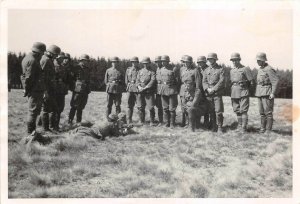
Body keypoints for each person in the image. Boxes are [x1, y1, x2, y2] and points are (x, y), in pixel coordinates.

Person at [20, 42, 47, 135]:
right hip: (35, 90)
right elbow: (29, 77)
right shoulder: (33, 60)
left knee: (34, 112)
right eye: (42, 52)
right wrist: (27, 90)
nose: (43, 55)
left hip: (34, 89)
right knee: (33, 112)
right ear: (39, 52)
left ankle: (32, 132)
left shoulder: (28, 58)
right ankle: (30, 134)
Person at [179, 55, 206, 131]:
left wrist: (196, 94)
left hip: (192, 92)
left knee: (192, 107)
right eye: (184, 62)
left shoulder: (195, 70)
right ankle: (187, 124)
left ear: (191, 63)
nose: (186, 63)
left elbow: (198, 85)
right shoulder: (182, 69)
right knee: (184, 108)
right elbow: (181, 80)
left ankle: (194, 124)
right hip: (183, 91)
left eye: (187, 62)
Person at [230, 53, 254, 133]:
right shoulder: (232, 71)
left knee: (243, 110)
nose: (234, 62)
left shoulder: (245, 69)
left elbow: (252, 82)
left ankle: (244, 128)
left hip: (243, 91)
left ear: (239, 60)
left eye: (235, 60)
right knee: (237, 110)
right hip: (234, 91)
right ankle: (239, 126)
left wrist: (245, 83)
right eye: (232, 60)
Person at [255, 52, 279, 133]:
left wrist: (273, 93)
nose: (257, 62)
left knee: (268, 112)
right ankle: (262, 129)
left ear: (263, 60)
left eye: (258, 60)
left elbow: (275, 81)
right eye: (257, 60)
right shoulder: (260, 69)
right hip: (259, 92)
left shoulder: (269, 69)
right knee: (261, 112)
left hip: (267, 92)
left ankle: (268, 130)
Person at [40, 44, 61, 132]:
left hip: (50, 89)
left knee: (54, 109)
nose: (56, 57)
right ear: (51, 53)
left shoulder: (49, 60)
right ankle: (45, 129)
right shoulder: (45, 60)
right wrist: (44, 91)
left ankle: (51, 128)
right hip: (46, 89)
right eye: (56, 54)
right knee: (45, 109)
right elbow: (41, 77)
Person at [202, 53, 225, 133]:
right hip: (208, 93)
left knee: (218, 111)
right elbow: (204, 81)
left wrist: (214, 89)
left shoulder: (220, 69)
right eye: (209, 59)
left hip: (216, 93)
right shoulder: (206, 70)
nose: (210, 60)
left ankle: (219, 127)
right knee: (211, 111)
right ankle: (213, 126)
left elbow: (221, 81)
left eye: (212, 59)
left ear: (215, 59)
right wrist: (207, 89)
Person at [68, 54, 91, 124]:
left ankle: (78, 122)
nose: (86, 62)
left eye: (87, 61)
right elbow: (71, 79)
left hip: (85, 89)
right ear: (81, 60)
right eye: (84, 60)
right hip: (77, 89)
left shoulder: (87, 69)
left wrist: (88, 88)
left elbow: (88, 79)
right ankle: (70, 121)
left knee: (81, 106)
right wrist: (74, 87)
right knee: (74, 105)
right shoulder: (76, 68)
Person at [158, 55, 180, 128]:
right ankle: (166, 123)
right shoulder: (161, 69)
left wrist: (175, 88)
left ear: (168, 61)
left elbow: (178, 81)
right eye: (162, 61)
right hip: (163, 90)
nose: (163, 63)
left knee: (172, 108)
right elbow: (159, 80)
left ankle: (172, 123)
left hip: (172, 90)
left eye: (165, 61)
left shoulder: (174, 69)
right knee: (165, 108)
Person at [136, 57, 156, 126]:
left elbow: (152, 81)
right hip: (140, 92)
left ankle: (152, 121)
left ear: (149, 63)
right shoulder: (140, 71)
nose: (145, 65)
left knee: (151, 107)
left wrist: (145, 88)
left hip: (148, 92)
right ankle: (141, 120)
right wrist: (139, 87)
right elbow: (137, 80)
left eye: (147, 63)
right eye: (144, 64)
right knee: (140, 107)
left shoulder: (152, 72)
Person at [52, 52, 69, 131]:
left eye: (63, 58)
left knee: (60, 108)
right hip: (54, 91)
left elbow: (65, 79)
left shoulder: (63, 67)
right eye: (61, 58)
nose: (63, 59)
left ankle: (56, 126)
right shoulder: (52, 65)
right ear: (57, 58)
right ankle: (52, 126)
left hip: (61, 91)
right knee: (53, 109)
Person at [196, 56, 210, 129]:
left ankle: (206, 124)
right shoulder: (197, 69)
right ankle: (198, 123)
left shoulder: (209, 69)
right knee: (198, 107)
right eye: (199, 62)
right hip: (199, 91)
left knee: (207, 108)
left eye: (201, 62)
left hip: (207, 91)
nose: (200, 64)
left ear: (205, 62)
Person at [125, 56, 140, 124]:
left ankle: (141, 120)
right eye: (133, 62)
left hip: (137, 89)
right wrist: (128, 85)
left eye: (135, 62)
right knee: (129, 105)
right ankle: (129, 120)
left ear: (137, 63)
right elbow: (126, 80)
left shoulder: (140, 70)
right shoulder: (128, 70)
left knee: (139, 106)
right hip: (130, 89)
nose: (134, 63)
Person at [154, 56, 164, 126]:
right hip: (158, 90)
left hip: (164, 89)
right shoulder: (156, 69)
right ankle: (160, 121)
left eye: (159, 62)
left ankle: (167, 121)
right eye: (156, 62)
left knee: (166, 106)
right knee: (159, 106)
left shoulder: (164, 69)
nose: (157, 63)